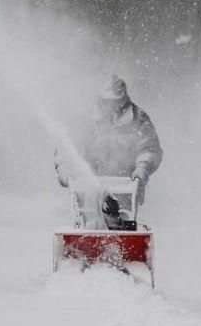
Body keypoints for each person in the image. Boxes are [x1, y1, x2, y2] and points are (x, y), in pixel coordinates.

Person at [55, 75, 163, 225]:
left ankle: (121, 244)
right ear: (100, 100)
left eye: (116, 103)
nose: (112, 107)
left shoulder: (138, 119)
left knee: (121, 225)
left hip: (127, 187)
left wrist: (141, 171)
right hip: (87, 188)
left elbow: (149, 148)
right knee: (89, 225)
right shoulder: (84, 119)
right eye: (108, 103)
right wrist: (65, 171)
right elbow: (66, 149)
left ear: (124, 100)